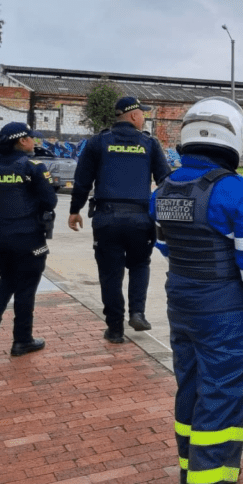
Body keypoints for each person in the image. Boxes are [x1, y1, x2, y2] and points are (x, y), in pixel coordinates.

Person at [151, 97, 243, 484]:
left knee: (190, 387)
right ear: (234, 139)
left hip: (181, 305)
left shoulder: (164, 189)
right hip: (226, 313)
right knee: (222, 394)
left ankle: (190, 472)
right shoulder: (237, 190)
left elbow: (165, 246)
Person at [68, 96, 171, 343]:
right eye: (142, 113)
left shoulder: (98, 142)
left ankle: (115, 329)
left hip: (107, 218)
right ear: (134, 115)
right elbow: (165, 181)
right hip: (140, 218)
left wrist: (75, 210)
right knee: (139, 265)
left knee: (110, 274)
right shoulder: (149, 143)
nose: (144, 117)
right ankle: (137, 313)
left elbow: (82, 180)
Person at [0, 122, 58, 356]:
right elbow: (50, 201)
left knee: (7, 279)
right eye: (32, 137)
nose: (34, 141)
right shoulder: (33, 167)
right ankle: (22, 340)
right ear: (22, 141)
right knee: (26, 288)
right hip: (28, 237)